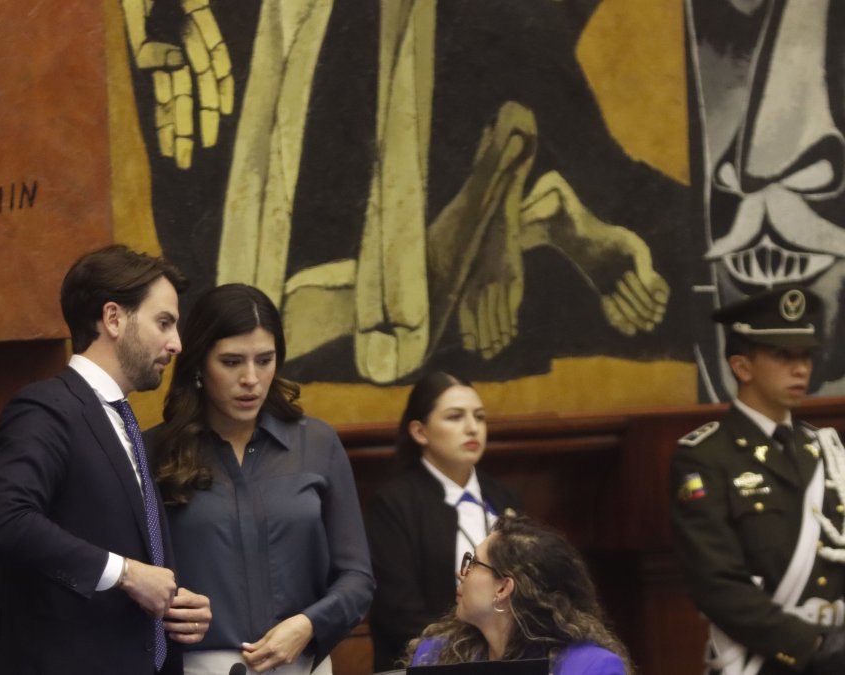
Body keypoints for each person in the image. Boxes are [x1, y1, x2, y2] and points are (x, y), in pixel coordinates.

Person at [0, 245, 211, 675]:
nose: (176, 344)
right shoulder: (46, 407)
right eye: (164, 323)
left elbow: (124, 546)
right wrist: (126, 574)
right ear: (114, 318)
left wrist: (173, 605)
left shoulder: (123, 422)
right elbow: (4, 518)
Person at [147, 283, 374, 675]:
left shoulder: (318, 443)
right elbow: (131, 577)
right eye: (232, 362)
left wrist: (308, 624)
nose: (251, 378)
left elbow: (357, 578)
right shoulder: (156, 451)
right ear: (199, 364)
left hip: (303, 664)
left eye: (265, 360)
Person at [670, 285, 845, 674]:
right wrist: (809, 645)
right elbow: (715, 583)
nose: (801, 368)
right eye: (783, 356)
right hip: (764, 661)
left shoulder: (826, 451)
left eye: (805, 355)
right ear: (742, 367)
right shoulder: (706, 457)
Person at [364, 372, 522, 670]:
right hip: (428, 662)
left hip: (510, 658)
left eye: (479, 416)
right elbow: (397, 612)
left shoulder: (506, 499)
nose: (472, 428)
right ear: (420, 432)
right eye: (455, 417)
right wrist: (472, 651)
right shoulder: (393, 504)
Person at [407, 516, 632, 674]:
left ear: (503, 588)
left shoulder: (591, 667)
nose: (461, 573)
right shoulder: (434, 655)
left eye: (473, 563)